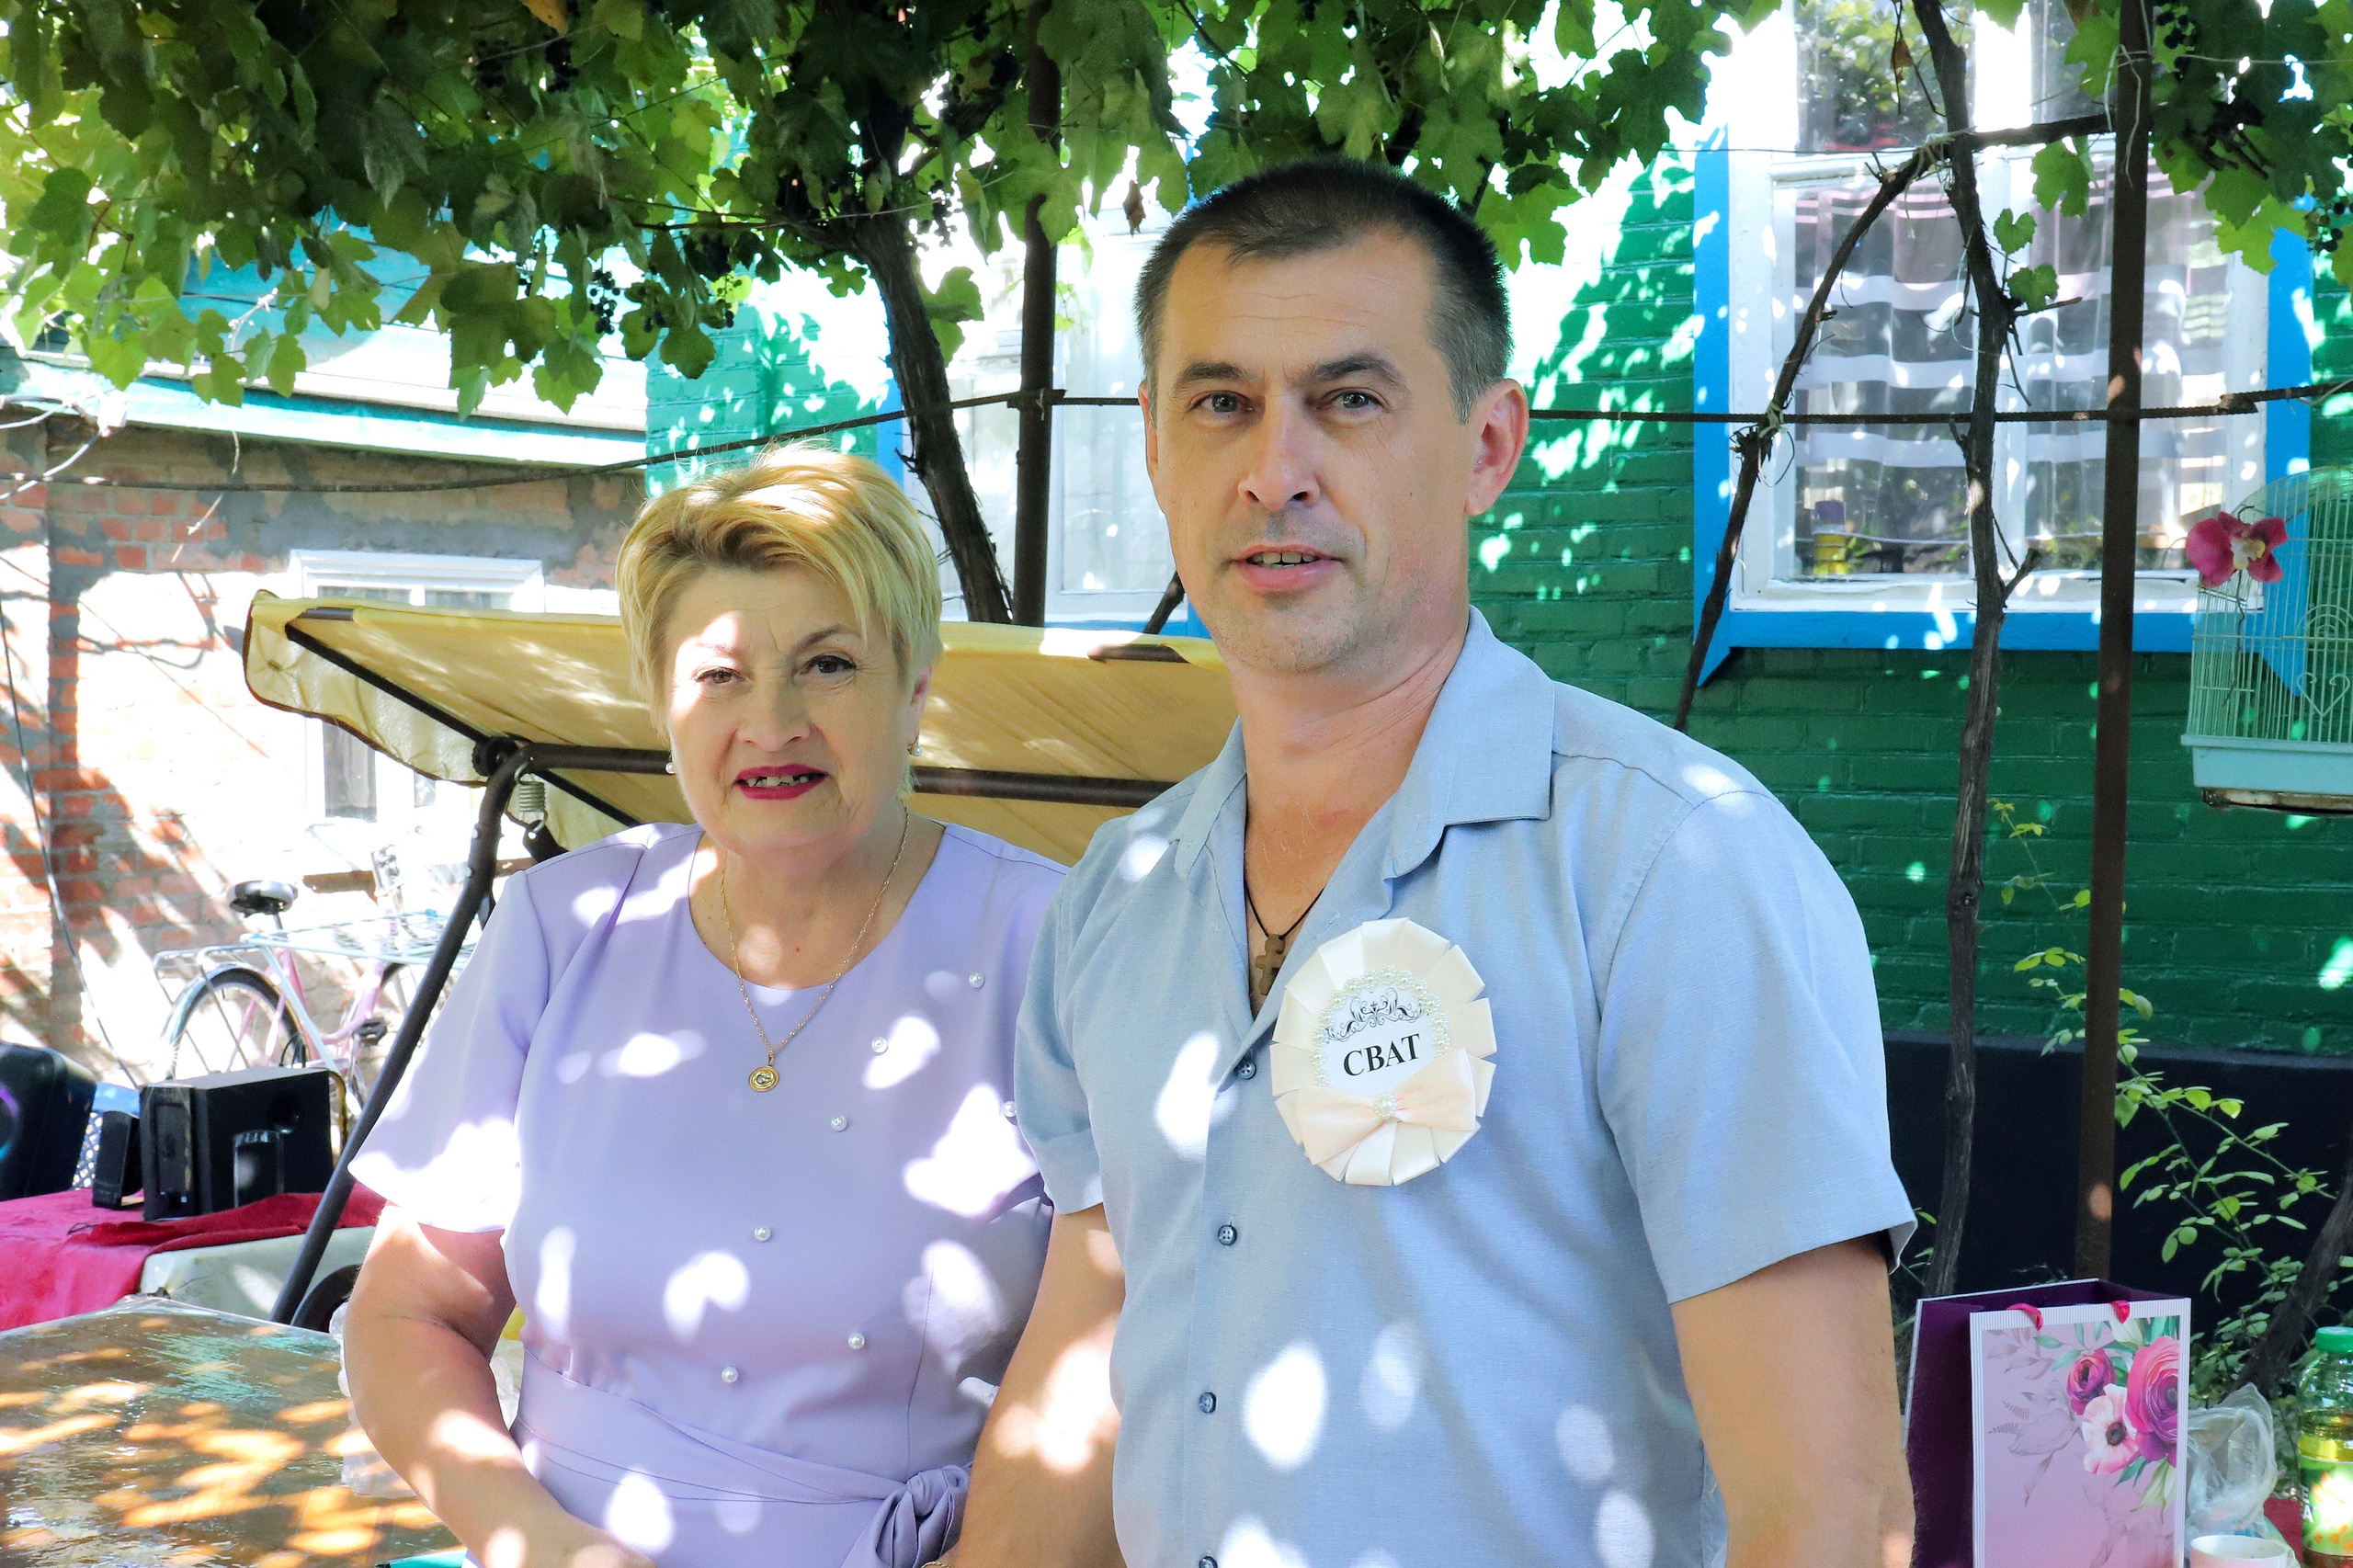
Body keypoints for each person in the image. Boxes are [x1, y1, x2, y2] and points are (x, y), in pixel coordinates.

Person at [953, 160, 1919, 1568]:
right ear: (1156, 448)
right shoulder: (1118, 895)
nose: (1273, 469)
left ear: (1484, 445)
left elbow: (1829, 1512)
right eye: (1219, 402)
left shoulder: (1668, 869)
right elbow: (1079, 1402)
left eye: (1348, 398)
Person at [343, 447, 1062, 1568]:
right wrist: (527, 1535)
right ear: (659, 694)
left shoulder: (1050, 945)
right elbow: (409, 1314)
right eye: (719, 674)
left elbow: (1118, 1372)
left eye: (827, 665)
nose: (771, 721)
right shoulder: (559, 927)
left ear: (915, 683)